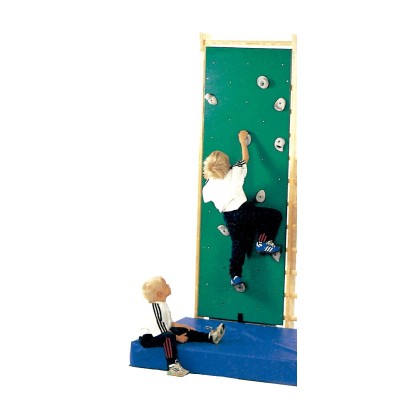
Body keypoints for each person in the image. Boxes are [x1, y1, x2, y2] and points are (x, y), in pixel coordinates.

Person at [202, 129, 283, 293]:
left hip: (229, 218)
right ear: (227, 166)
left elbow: (206, 194)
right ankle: (263, 242)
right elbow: (245, 158)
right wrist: (242, 141)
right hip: (243, 211)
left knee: (238, 245)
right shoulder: (235, 172)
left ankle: (235, 275)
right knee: (273, 216)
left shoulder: (209, 186)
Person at [138, 276, 226, 377]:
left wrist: (184, 326)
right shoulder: (156, 307)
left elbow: (169, 323)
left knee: (183, 330)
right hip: (149, 338)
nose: (168, 285)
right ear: (160, 293)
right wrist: (178, 338)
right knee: (168, 336)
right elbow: (162, 331)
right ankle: (172, 366)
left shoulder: (162, 304)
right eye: (165, 284)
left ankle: (210, 337)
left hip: (161, 332)